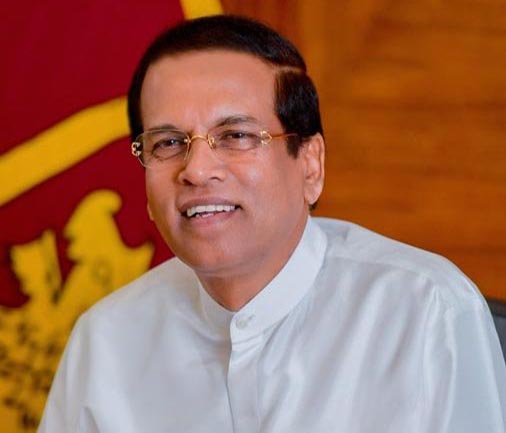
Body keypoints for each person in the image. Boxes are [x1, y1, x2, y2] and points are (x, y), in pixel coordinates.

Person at [39, 15, 506, 433]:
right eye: (168, 143)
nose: (197, 170)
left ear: (310, 164)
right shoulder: (104, 340)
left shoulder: (426, 312)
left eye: (237, 136)